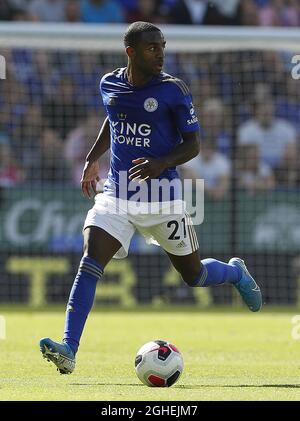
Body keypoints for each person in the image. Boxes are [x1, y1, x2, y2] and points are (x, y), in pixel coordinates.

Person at [39, 21, 262, 375]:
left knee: (194, 275)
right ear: (131, 52)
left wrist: (162, 162)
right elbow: (113, 120)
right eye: (151, 48)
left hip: (164, 199)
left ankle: (234, 273)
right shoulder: (108, 84)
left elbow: (194, 145)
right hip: (117, 194)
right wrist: (91, 159)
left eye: (162, 46)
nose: (160, 54)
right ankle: (69, 348)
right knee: (90, 261)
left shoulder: (174, 90)